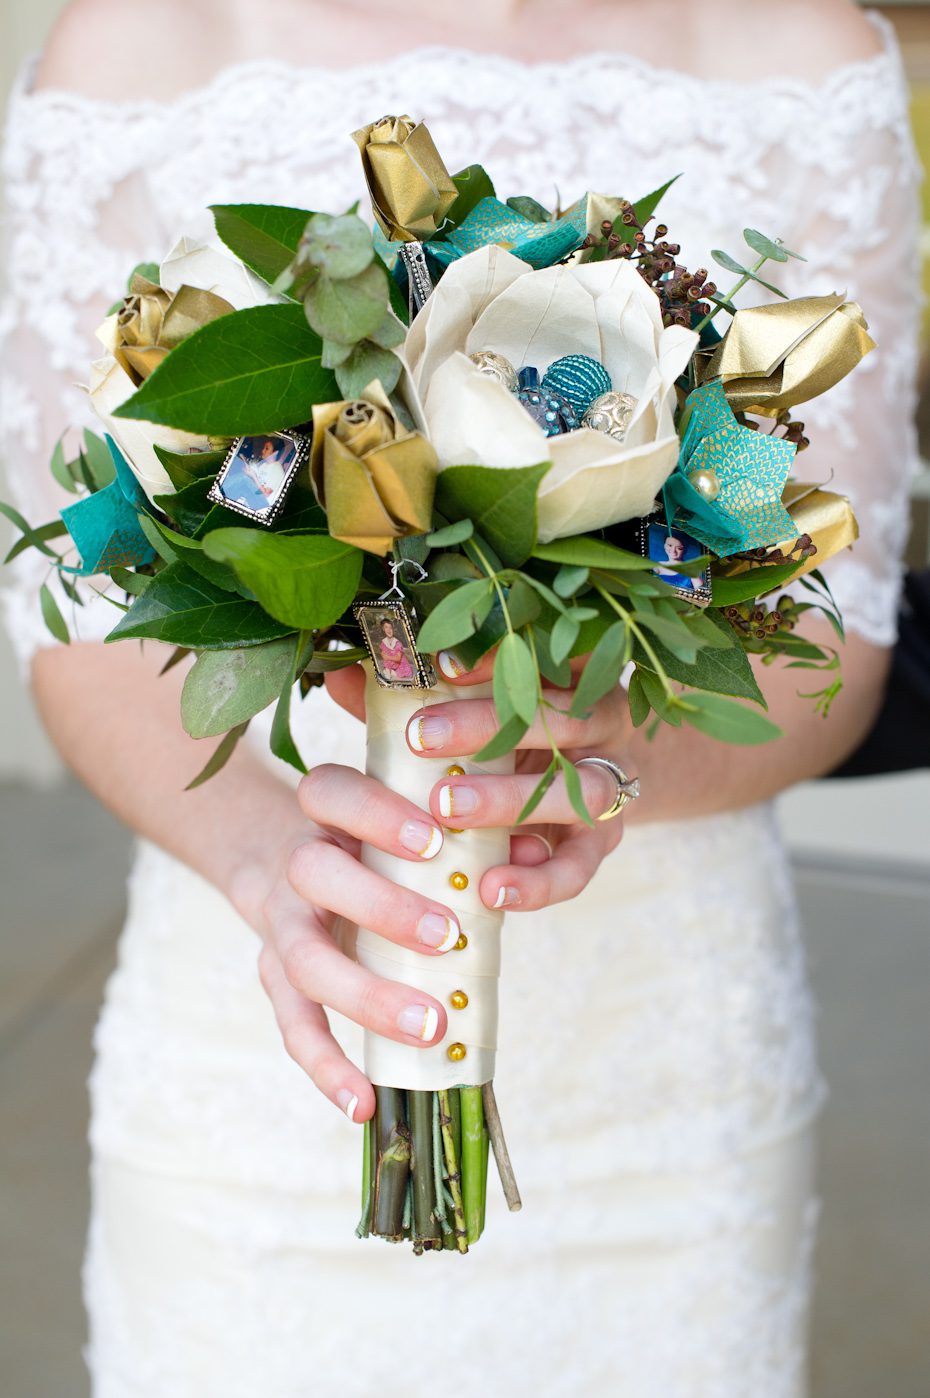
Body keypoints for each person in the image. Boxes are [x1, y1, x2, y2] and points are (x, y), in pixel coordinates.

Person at [0, 0, 917, 1392]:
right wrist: (272, 860)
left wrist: (619, 751)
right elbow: (77, 626)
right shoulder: (131, 43)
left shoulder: (801, 51)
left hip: (668, 1091)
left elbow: (835, 644)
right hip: (248, 1076)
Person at [377, 617, 414, 682]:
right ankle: (390, 671)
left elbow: (398, 658)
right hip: (391, 664)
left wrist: (387, 657)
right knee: (386, 668)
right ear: (383, 629)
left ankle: (393, 672)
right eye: (386, 627)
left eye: (390, 628)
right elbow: (383, 655)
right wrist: (386, 658)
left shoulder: (397, 643)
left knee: (399, 673)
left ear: (393, 629)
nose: (389, 630)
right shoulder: (383, 642)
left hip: (401, 665)